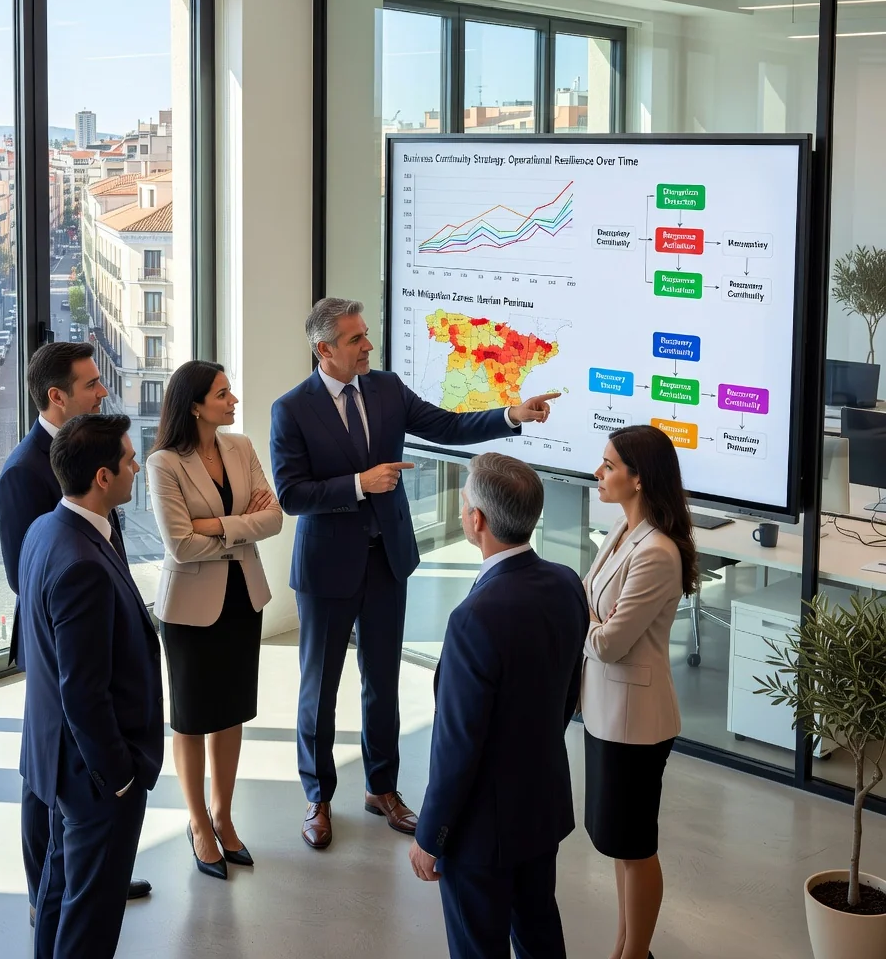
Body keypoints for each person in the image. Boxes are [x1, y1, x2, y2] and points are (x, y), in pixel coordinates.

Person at [270, 297, 559, 850]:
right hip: (327, 568)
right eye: (356, 339)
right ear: (323, 349)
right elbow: (291, 494)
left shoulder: (386, 388)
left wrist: (510, 415)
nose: (368, 346)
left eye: (366, 335)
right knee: (319, 690)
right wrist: (360, 482)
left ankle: (382, 788)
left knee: (382, 682)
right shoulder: (291, 409)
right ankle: (318, 796)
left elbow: (446, 425)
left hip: (387, 560)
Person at [408, 453, 588, 959]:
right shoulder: (566, 583)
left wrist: (430, 835)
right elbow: (566, 694)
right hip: (541, 806)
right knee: (538, 936)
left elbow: (457, 746)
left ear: (476, 521)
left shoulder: (474, 618)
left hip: (482, 833)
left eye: (465, 503)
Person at [0, 342, 150, 920]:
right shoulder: (21, 473)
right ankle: (47, 895)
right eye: (90, 385)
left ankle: (93, 868)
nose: (102, 390)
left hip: (91, 625)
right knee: (48, 774)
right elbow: (24, 575)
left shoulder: (94, 453)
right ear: (56, 397)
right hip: (56, 641)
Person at [19, 414, 164, 959]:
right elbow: (84, 691)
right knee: (93, 917)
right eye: (128, 460)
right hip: (93, 777)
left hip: (57, 763)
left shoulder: (46, 529)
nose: (135, 467)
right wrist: (120, 780)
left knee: (61, 892)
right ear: (103, 478)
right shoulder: (83, 562)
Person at [147, 361, 283, 879]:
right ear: (196, 405)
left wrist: (216, 525)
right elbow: (179, 544)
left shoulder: (241, 447)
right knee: (191, 715)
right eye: (223, 394)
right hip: (190, 610)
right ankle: (198, 822)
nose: (233, 401)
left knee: (230, 711)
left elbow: (273, 517)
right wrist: (238, 526)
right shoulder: (163, 463)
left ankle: (224, 817)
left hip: (241, 598)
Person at [581, 425, 699, 959]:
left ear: (638, 478)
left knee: (634, 846)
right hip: (606, 712)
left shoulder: (655, 553)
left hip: (635, 722)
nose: (598, 474)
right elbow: (593, 607)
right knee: (618, 843)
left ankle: (634, 953)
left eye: (608, 466)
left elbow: (608, 643)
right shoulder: (622, 530)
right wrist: (587, 615)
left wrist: (576, 618)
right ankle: (628, 948)